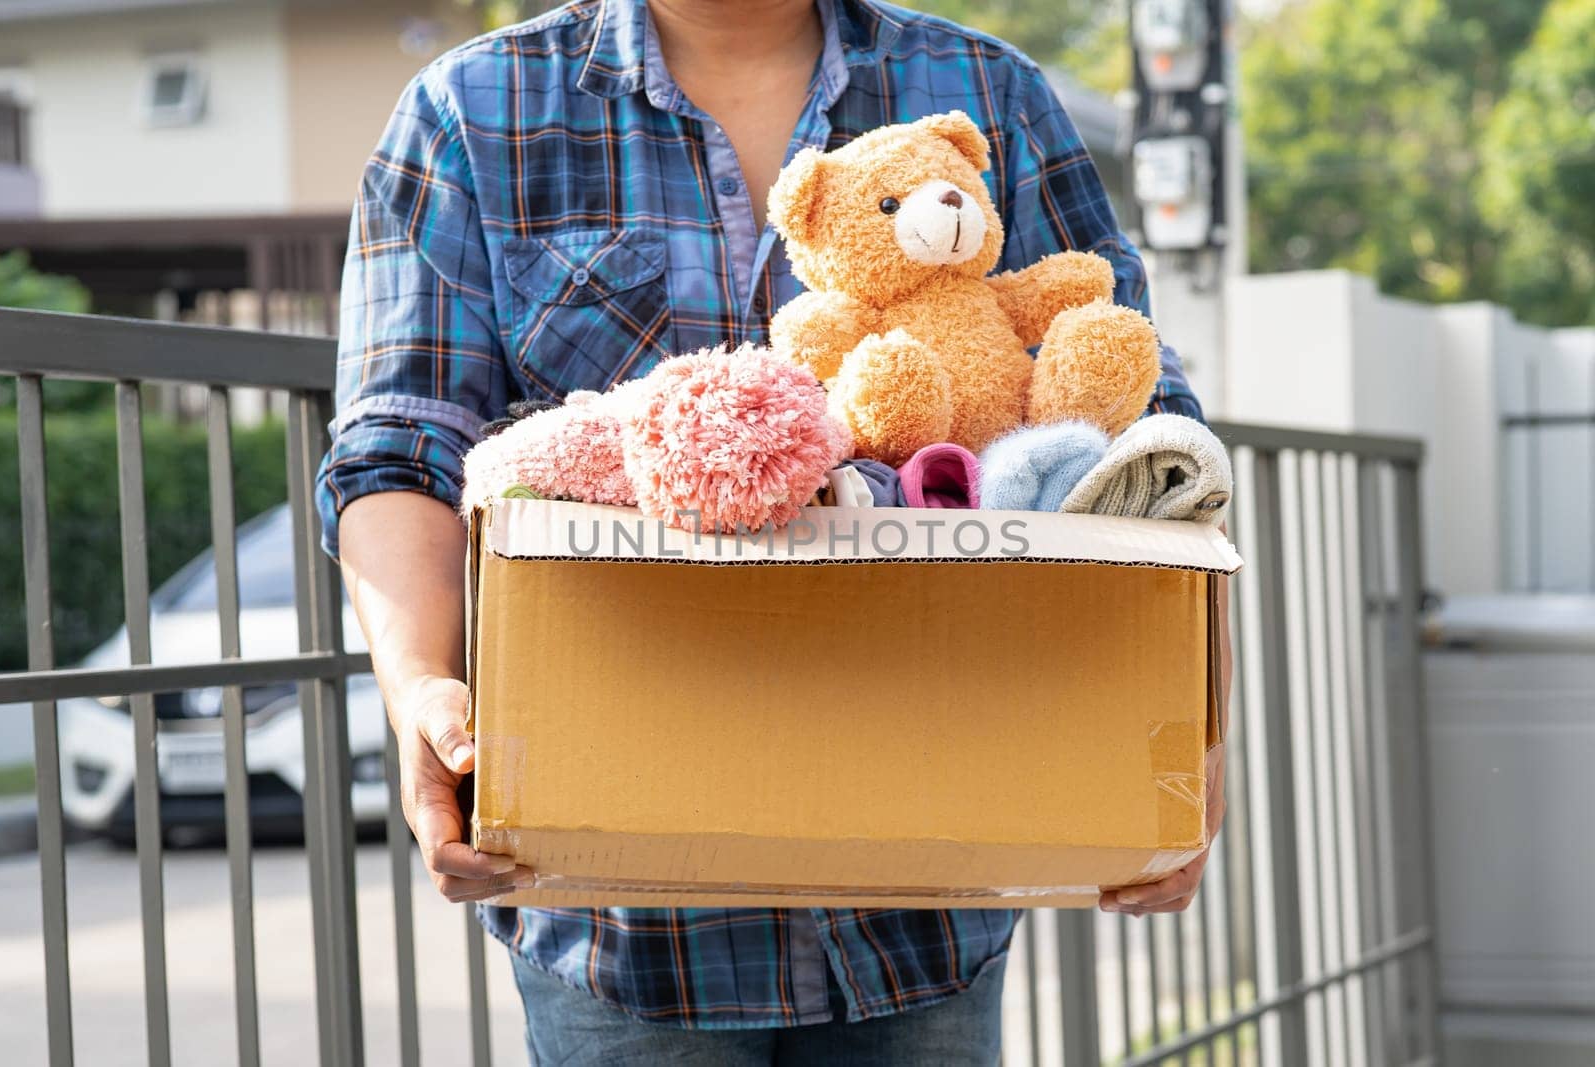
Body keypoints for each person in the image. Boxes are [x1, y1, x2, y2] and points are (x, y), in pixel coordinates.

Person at [316, 1, 1232, 1062]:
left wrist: (1191, 722)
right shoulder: (470, 109)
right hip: (618, 920)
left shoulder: (987, 90)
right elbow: (399, 443)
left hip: (929, 901)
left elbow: (1145, 434)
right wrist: (425, 689)